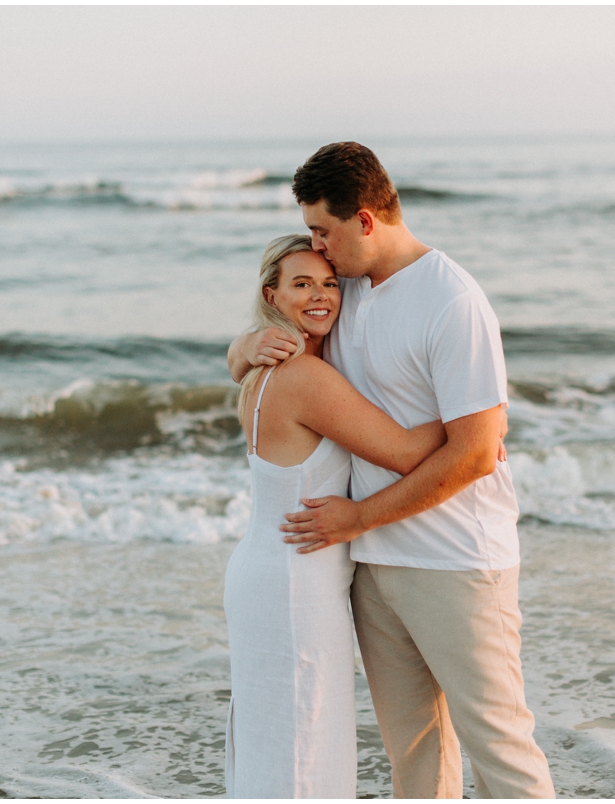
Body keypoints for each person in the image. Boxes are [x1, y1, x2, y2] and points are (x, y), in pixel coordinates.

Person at [228, 143, 556, 799]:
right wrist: (242, 346)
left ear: (366, 221)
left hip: (455, 561)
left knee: (501, 753)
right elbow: (287, 354)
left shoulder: (451, 301)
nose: (317, 248)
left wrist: (358, 517)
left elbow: (474, 453)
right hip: (373, 567)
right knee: (415, 759)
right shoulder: (342, 286)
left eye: (324, 230)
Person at [223, 233, 451, 798]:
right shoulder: (302, 377)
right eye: (302, 284)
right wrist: (476, 420)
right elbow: (401, 451)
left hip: (275, 569)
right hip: (294, 582)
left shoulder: (271, 366)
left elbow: (238, 360)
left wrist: (243, 346)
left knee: (279, 739)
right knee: (301, 743)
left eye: (329, 283)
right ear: (271, 297)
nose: (321, 295)